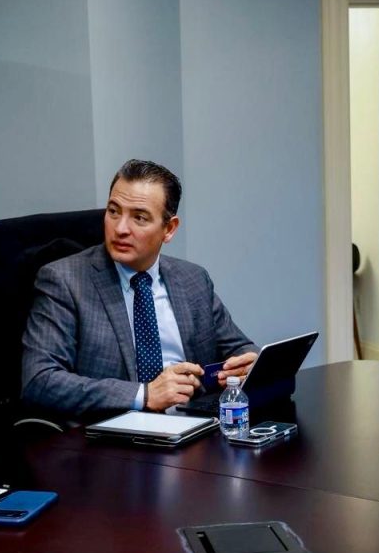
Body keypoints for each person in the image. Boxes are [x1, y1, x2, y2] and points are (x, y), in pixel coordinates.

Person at [22, 159, 258, 416]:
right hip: (112, 434)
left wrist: (250, 365)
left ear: (169, 229)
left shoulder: (193, 280)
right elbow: (40, 381)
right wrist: (144, 394)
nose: (120, 228)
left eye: (139, 218)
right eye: (114, 211)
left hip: (194, 426)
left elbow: (239, 349)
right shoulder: (65, 281)